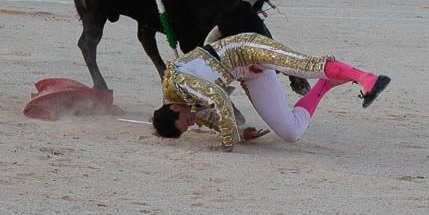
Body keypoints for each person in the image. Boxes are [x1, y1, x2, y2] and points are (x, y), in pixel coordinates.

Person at [152, 29, 390, 150]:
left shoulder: (179, 82)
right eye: (188, 127)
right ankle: (326, 84)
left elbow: (219, 99)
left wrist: (228, 141)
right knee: (291, 133)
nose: (192, 122)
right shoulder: (184, 103)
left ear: (174, 107)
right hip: (246, 74)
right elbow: (212, 117)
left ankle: (367, 78)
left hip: (244, 49)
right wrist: (241, 135)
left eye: (186, 121)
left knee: (304, 66)